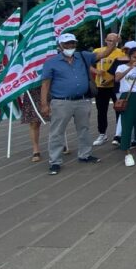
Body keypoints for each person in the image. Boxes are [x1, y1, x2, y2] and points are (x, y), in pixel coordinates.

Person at [40, 32, 119, 175]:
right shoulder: (51, 62)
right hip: (61, 101)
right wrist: (44, 104)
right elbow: (45, 84)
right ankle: (55, 161)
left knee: (84, 129)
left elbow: (104, 54)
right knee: (57, 132)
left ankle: (85, 154)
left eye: (72, 43)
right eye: (67, 44)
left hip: (82, 100)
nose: (70, 46)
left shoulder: (83, 56)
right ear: (60, 45)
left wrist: (112, 44)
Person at [91, 36, 125, 146]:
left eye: (114, 41)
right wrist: (96, 71)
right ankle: (102, 134)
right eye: (109, 40)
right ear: (105, 40)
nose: (111, 42)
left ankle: (118, 134)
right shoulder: (97, 51)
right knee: (101, 110)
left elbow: (123, 68)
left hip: (115, 86)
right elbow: (88, 64)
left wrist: (110, 78)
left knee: (119, 110)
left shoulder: (121, 52)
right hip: (100, 85)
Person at [20, 85, 44, 162]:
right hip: (32, 91)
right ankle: (36, 150)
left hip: (49, 87)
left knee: (57, 120)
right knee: (34, 122)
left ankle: (61, 143)